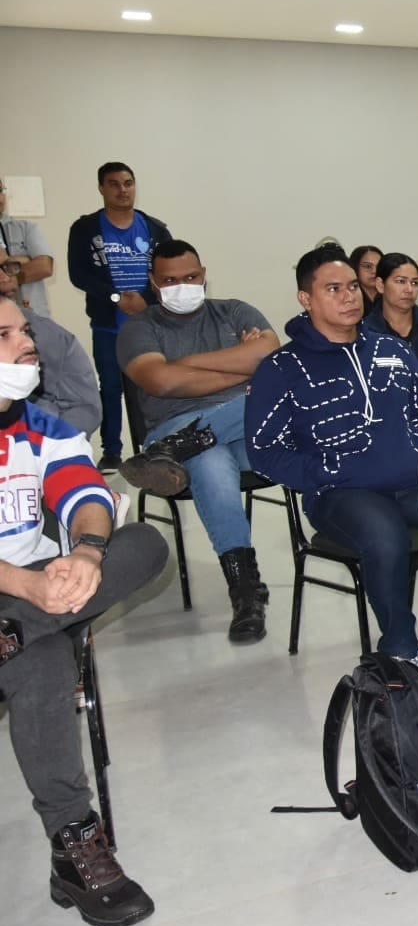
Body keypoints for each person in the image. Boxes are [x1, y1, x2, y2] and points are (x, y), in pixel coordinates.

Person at [0, 294, 169, 926]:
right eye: (7, 333)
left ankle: (11, 635)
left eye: (25, 328)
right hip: (19, 586)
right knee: (42, 659)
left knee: (144, 543)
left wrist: (90, 553)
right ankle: (73, 839)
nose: (28, 342)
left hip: (30, 596)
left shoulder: (40, 425)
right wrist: (25, 583)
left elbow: (84, 492)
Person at [246, 245, 418, 662]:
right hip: (340, 493)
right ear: (306, 298)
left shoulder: (394, 350)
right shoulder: (282, 367)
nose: (349, 296)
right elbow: (264, 449)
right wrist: (324, 470)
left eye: (353, 286)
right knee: (385, 537)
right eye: (333, 288)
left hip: (411, 480)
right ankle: (399, 644)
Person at [117, 240, 281, 643]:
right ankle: (246, 591)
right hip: (173, 425)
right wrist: (240, 366)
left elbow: (271, 357)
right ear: (154, 283)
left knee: (258, 403)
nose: (182, 286)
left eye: (190, 277)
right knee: (209, 458)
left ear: (203, 274)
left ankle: (177, 450)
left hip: (247, 430)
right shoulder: (140, 328)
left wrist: (182, 365)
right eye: (170, 280)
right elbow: (161, 381)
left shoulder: (235, 311)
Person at [67, 162, 173, 471]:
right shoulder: (85, 229)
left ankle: (156, 445)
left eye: (128, 183)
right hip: (108, 324)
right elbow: (79, 274)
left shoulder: (155, 228)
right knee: (111, 387)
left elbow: (170, 271)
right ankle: (112, 450)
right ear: (102, 188)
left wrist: (147, 299)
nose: (122, 189)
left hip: (151, 323)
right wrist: (115, 297)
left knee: (152, 386)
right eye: (114, 184)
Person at [0, 259, 99, 437]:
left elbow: (84, 408)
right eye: (3, 335)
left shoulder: (51, 335)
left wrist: (50, 443)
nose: (5, 277)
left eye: (7, 267)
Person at [362, 252, 418, 397]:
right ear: (380, 285)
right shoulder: (365, 333)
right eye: (400, 281)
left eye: (415, 283)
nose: (409, 289)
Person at [0, 175, 56, 317]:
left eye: (0, 191)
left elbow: (44, 267)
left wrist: (4, 280)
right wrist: (23, 261)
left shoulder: (25, 228)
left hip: (34, 318)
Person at [348, 245, 383, 314]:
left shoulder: (390, 298)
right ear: (355, 267)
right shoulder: (349, 299)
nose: (374, 271)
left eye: (379, 266)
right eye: (368, 266)